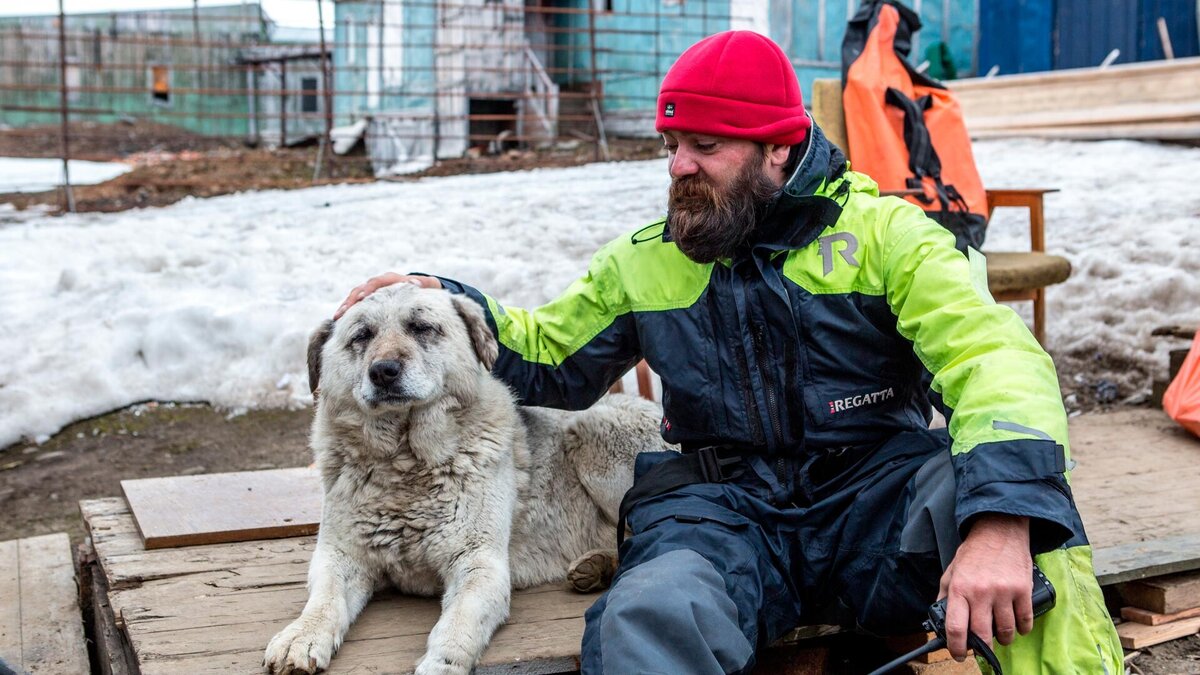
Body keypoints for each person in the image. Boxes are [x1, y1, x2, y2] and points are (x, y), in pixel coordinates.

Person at [336, 31, 1121, 674]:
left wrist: (1000, 520)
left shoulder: (888, 236)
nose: (678, 165)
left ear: (780, 149)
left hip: (877, 492)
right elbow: (551, 358)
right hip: (722, 506)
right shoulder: (645, 259)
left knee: (1035, 537)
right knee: (647, 617)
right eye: (672, 142)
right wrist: (440, 291)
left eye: (705, 145)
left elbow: (996, 359)